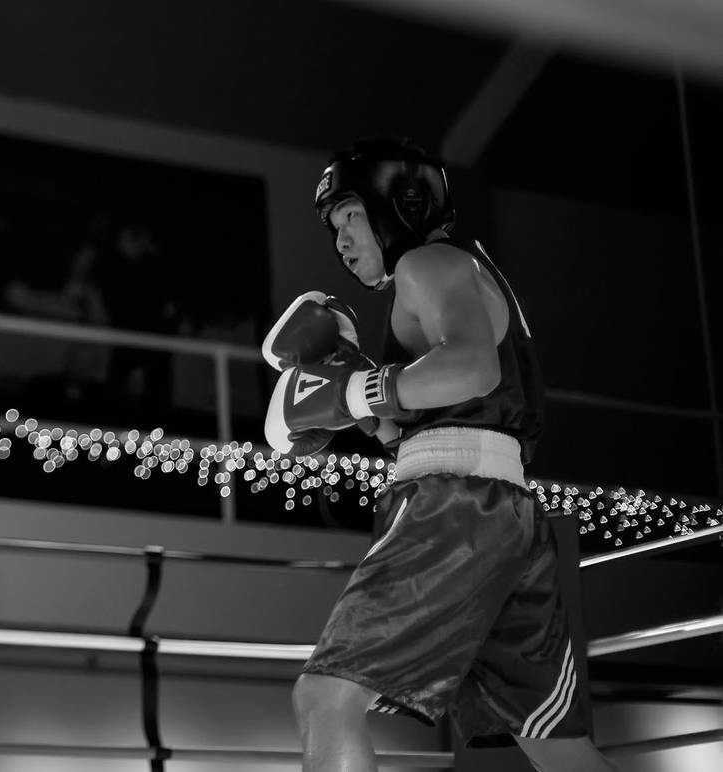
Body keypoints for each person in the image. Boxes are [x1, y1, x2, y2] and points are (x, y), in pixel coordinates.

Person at [262, 138, 618, 771]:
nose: (340, 239)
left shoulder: (428, 264)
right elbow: (439, 418)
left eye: (349, 215)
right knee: (561, 753)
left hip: (452, 507)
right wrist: (363, 404)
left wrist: (354, 389)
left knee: (326, 697)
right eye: (332, 226)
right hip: (499, 509)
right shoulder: (456, 271)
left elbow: (473, 367)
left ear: (398, 202)